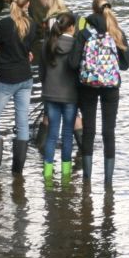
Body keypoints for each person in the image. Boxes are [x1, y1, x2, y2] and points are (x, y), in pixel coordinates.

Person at [69, 0, 129, 187]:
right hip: (111, 86)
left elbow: (72, 63)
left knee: (89, 130)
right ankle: (108, 181)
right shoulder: (116, 31)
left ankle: (87, 179)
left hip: (87, 86)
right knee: (108, 131)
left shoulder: (84, 33)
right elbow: (126, 64)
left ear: (93, 10)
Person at [0, 0, 38, 176]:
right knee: (22, 122)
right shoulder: (32, 24)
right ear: (27, 5)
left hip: (7, 78)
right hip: (26, 77)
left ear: (10, 3)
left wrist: (1, 50)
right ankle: (18, 172)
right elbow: (27, 48)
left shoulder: (4, 24)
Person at [40, 12, 80, 183]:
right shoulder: (77, 45)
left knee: (52, 135)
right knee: (67, 135)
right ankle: (65, 175)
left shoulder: (47, 44)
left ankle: (47, 175)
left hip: (50, 94)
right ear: (72, 27)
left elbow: (42, 72)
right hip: (70, 96)